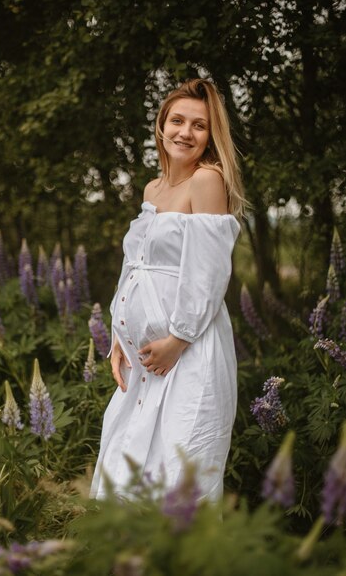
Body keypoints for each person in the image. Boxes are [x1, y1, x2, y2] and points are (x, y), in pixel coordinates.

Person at [90, 78, 246, 504]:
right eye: (177, 120)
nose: (185, 132)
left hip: (189, 351)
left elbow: (208, 273)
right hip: (148, 358)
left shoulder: (206, 181)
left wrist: (178, 340)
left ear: (211, 136)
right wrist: (119, 340)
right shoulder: (152, 189)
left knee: (180, 470)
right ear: (161, 126)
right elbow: (135, 264)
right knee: (130, 462)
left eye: (199, 125)